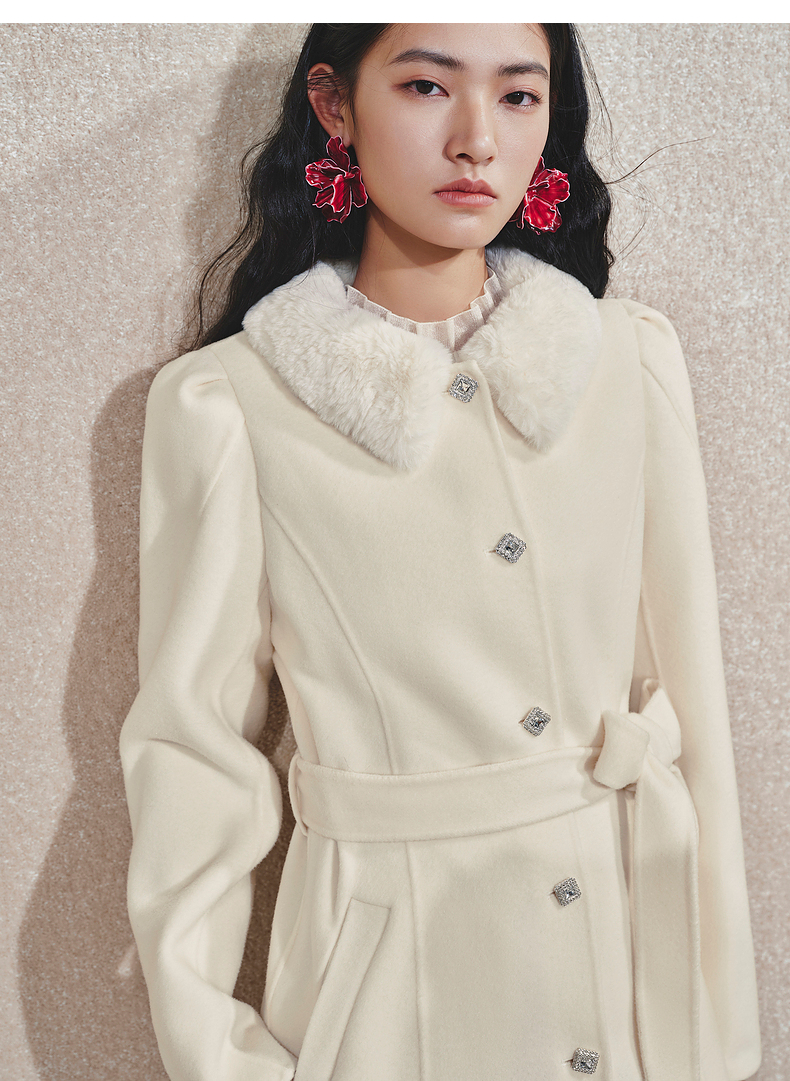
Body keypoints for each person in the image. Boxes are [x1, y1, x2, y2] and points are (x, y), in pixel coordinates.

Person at [119, 22, 762, 1081]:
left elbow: (690, 715)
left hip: (623, 988)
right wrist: (223, 1062)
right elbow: (192, 758)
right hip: (388, 1009)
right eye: (426, 87)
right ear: (335, 106)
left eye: (518, 95)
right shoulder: (232, 404)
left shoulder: (625, 362)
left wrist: (716, 1039)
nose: (476, 139)